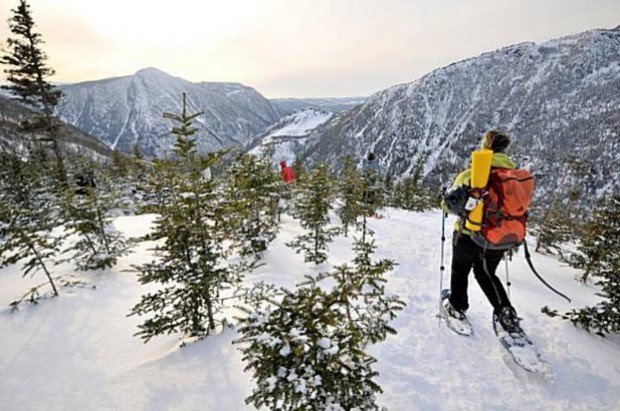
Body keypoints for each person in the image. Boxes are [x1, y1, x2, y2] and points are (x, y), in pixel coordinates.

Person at [443, 130, 522, 334]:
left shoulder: (473, 174)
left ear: (487, 146)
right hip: (500, 237)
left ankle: (457, 305)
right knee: (486, 273)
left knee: (460, 269)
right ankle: (505, 312)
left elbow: (447, 205)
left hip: (470, 234)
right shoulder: (515, 176)